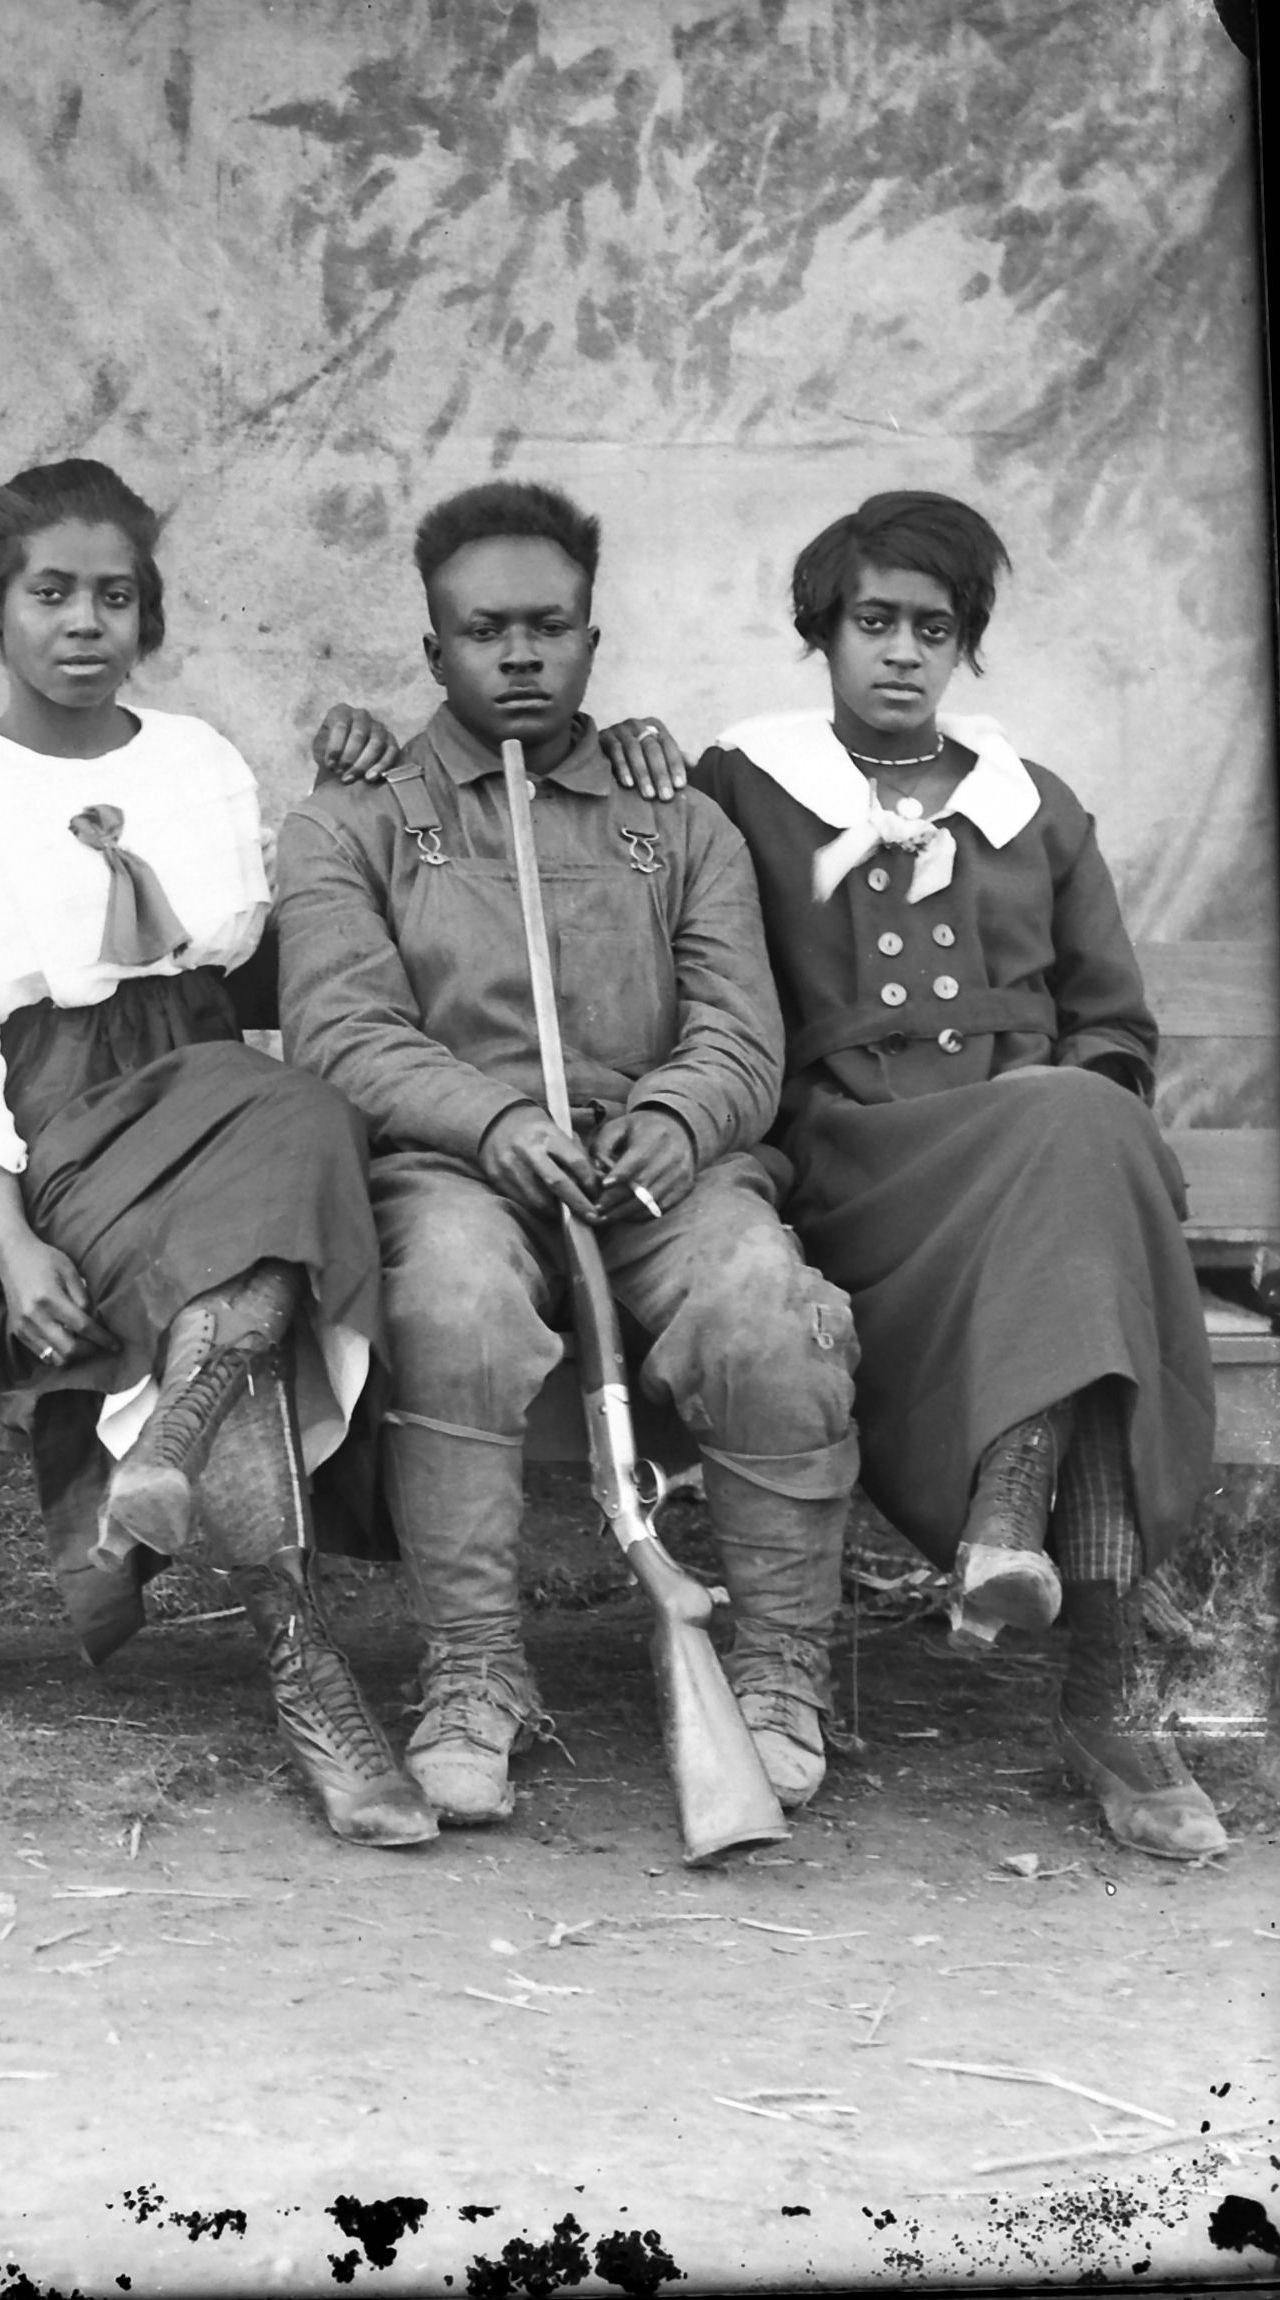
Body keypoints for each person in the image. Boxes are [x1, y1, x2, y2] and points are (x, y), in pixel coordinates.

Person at [590, 490, 1227, 1862]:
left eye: (933, 630)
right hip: (860, 1172)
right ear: (823, 633)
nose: (901, 653)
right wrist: (626, 744)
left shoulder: (1032, 805)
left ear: (966, 646)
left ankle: (1026, 1543)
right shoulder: (745, 787)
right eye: (873, 622)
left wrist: (1073, 1125)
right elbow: (655, 899)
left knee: (1081, 1151)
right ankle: (1098, 1677)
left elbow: (1110, 1024)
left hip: (1041, 1174)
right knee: (1082, 1177)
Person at [274, 479, 860, 1829]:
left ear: (594, 640)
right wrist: (490, 1121)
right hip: (453, 1170)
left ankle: (777, 1669)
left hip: (664, 1174)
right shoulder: (352, 821)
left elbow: (739, 1032)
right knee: (452, 1306)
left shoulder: (681, 821)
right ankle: (477, 1673)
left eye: (550, 627)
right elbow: (341, 1030)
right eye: (486, 632)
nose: (521, 655)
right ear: (434, 650)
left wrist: (675, 1118)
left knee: (766, 1310)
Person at [0, 456, 436, 1850]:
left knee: (289, 1140)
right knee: (283, 1155)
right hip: (48, 1140)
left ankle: (192, 1467)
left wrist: (350, 789)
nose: (84, 623)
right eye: (49, 593)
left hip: (212, 1097)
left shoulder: (199, 762)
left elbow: (264, 935)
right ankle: (305, 1667)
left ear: (149, 614)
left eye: (114, 597)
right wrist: (10, 1242)